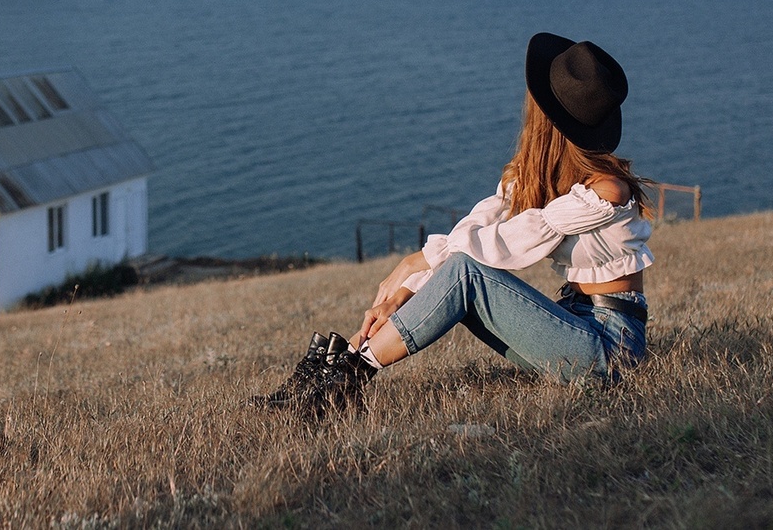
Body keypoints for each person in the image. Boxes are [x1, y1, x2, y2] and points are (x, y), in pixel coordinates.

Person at [252, 33, 655, 419]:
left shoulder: (606, 192)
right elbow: (478, 224)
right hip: (570, 325)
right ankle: (346, 364)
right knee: (458, 269)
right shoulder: (539, 177)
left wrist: (419, 259)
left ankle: (346, 378)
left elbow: (506, 245)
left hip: (610, 346)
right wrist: (402, 294)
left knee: (466, 271)